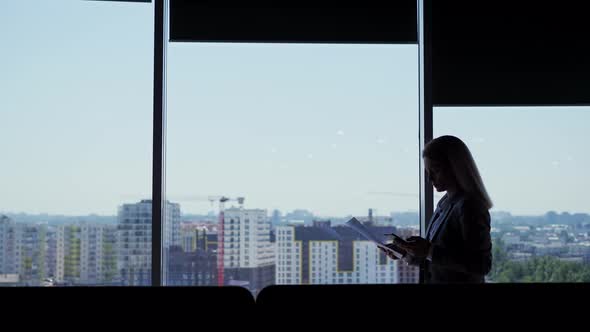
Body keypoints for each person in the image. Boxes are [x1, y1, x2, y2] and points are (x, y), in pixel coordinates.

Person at [382, 135, 493, 283]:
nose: (430, 179)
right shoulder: (445, 203)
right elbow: (435, 261)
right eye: (428, 172)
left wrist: (429, 250)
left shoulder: (470, 206)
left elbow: (481, 265)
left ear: (455, 168)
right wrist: (406, 253)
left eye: (435, 171)